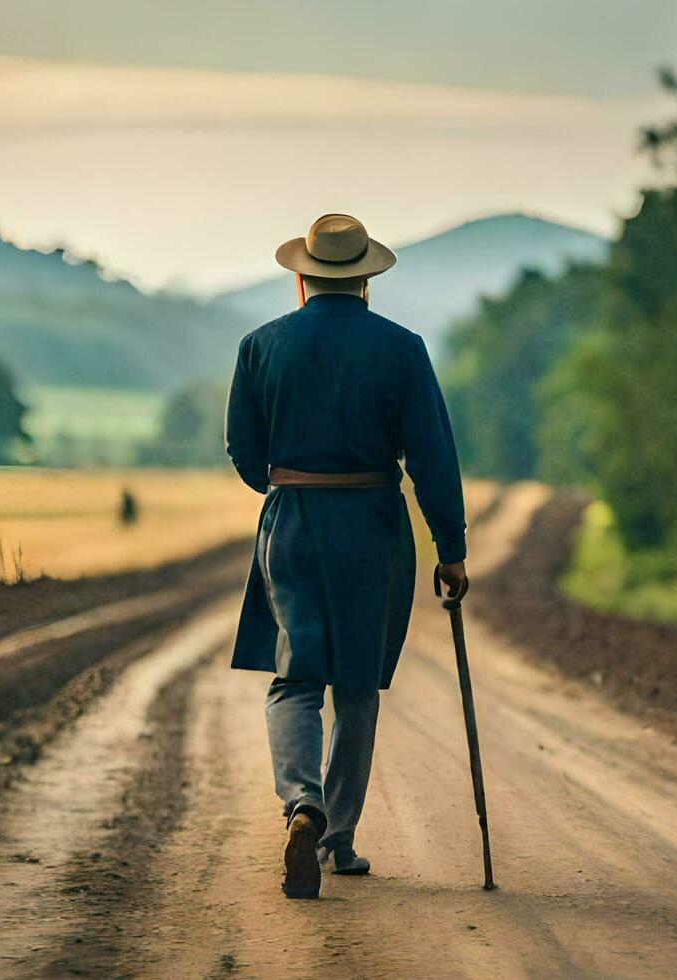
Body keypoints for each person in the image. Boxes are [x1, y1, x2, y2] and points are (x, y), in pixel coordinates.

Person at [225, 213, 468, 900]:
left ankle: (303, 803)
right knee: (356, 686)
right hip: (372, 523)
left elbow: (244, 451)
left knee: (293, 678)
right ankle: (337, 841)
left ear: (301, 278)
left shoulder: (260, 344)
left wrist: (289, 485)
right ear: (366, 281)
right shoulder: (402, 348)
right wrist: (451, 549)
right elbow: (433, 458)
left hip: (293, 519)